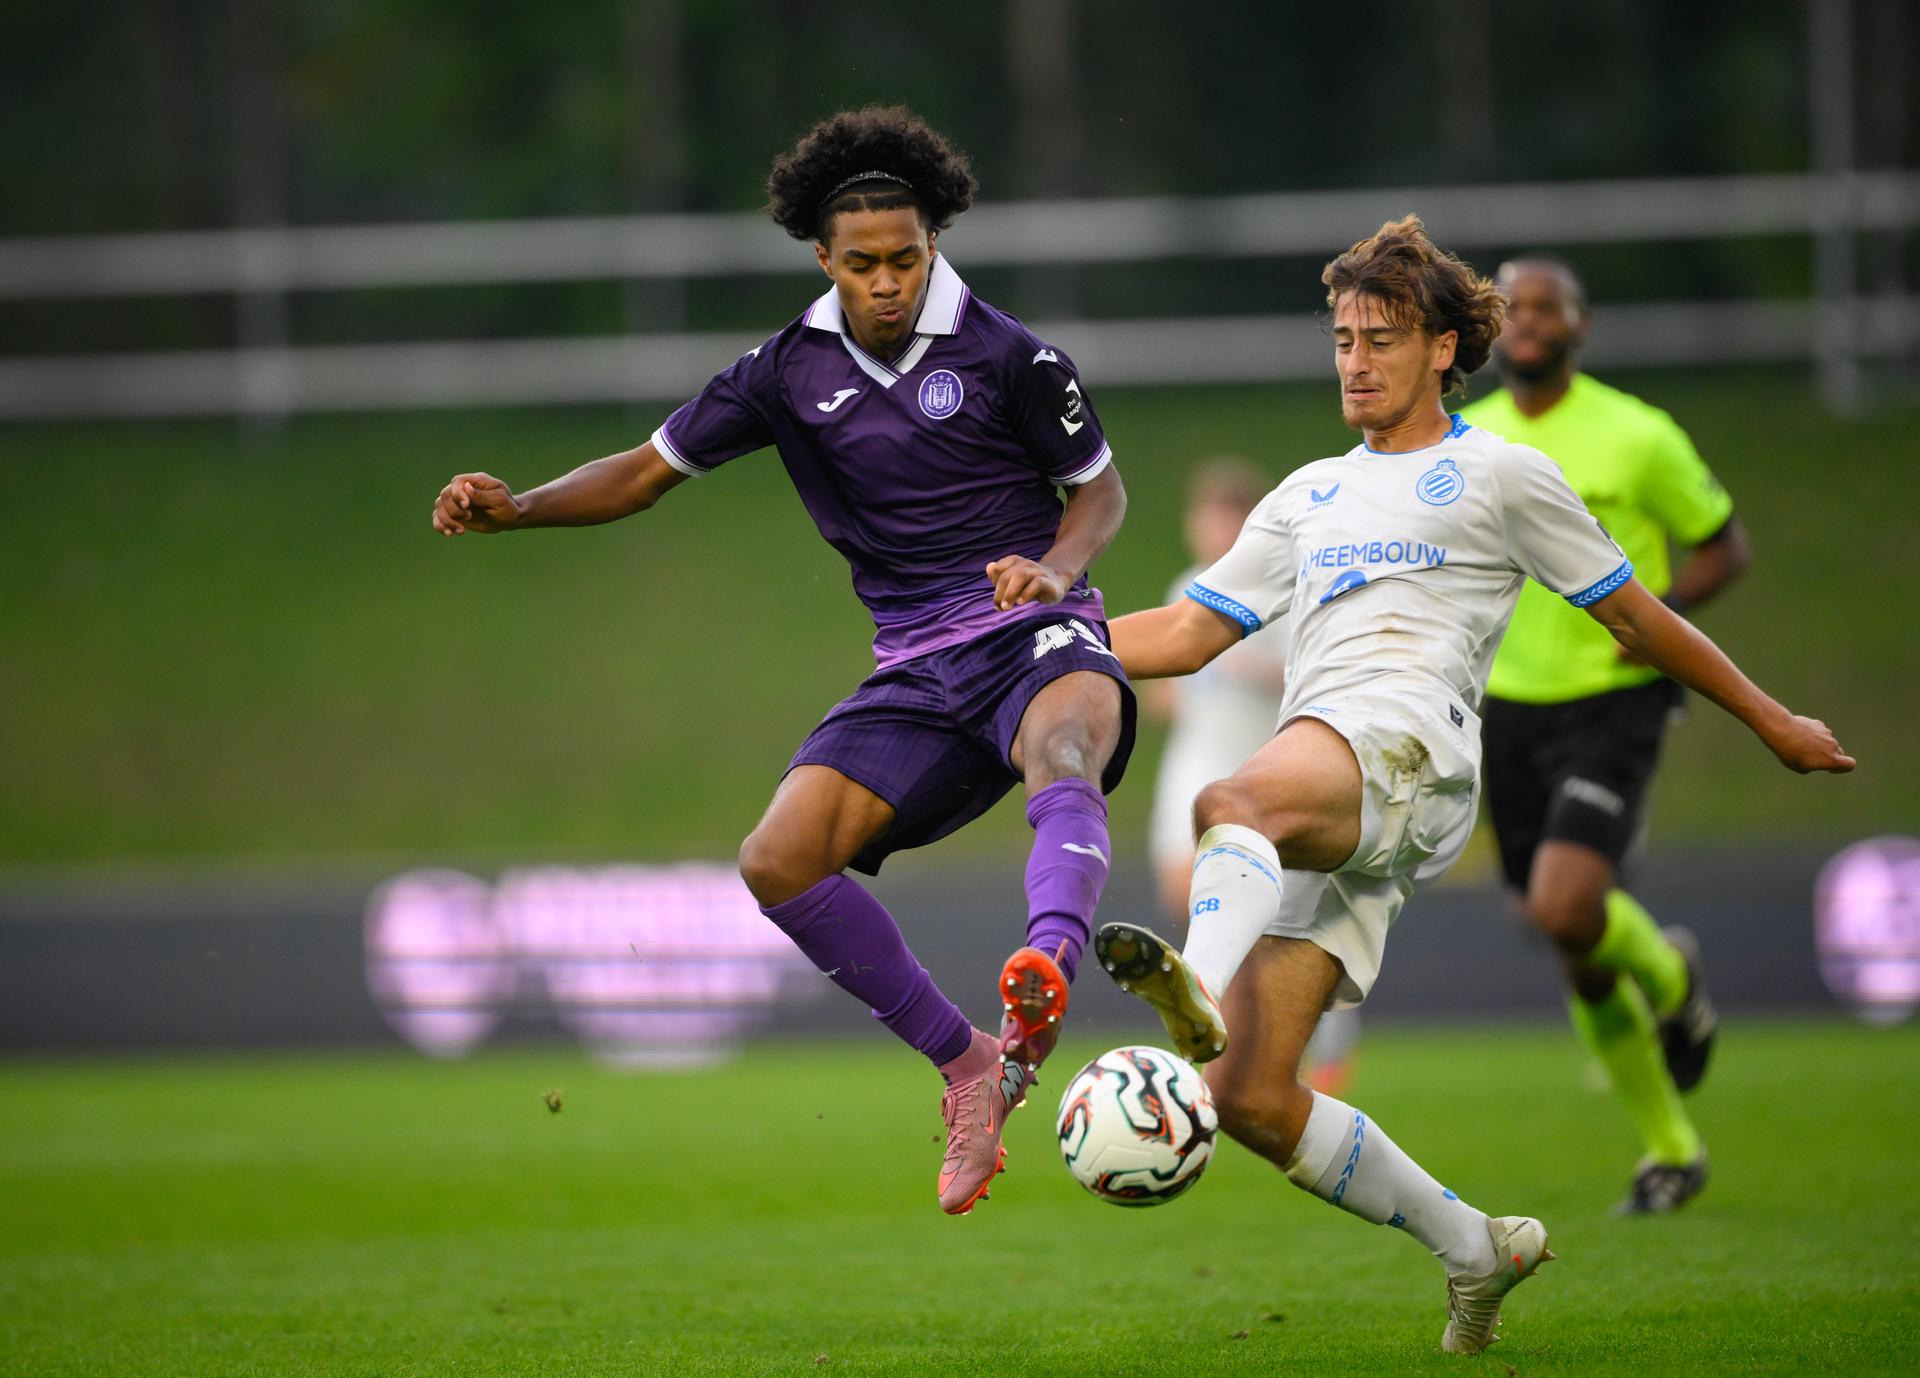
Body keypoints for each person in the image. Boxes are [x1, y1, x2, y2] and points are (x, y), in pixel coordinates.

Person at [1092, 216, 1853, 1353]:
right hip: (1341, 781)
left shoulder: (1499, 472)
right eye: (1343, 337)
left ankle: (1183, 1003)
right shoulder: (1306, 495)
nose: (1355, 358)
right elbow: (1192, 628)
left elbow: (1638, 616)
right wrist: (1048, 637)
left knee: (1227, 803)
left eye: (1382, 337)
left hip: (1410, 750)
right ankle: (1474, 1249)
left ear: (1444, 346)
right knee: (1251, 1097)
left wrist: (1773, 718)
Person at [429, 106, 1134, 1216]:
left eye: (907, 258)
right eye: (864, 264)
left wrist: (1054, 568)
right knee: (777, 859)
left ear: (934, 246)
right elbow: (642, 472)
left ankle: (1046, 962)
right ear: (824, 258)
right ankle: (969, 1067)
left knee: (1066, 742)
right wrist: (518, 508)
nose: (889, 281)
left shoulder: (1012, 355)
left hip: (1032, 629)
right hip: (913, 666)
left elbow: (1101, 491)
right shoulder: (782, 372)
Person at [1459, 256, 1751, 1215]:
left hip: (1614, 695)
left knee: (1563, 903)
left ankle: (1672, 977)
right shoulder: (1469, 439)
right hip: (1509, 707)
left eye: (1551, 307)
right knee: (1577, 948)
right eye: (1518, 307)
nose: (1532, 321)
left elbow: (1723, 545)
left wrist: (1653, 620)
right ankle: (1672, 1148)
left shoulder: (1640, 435)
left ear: (1581, 328)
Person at [1144, 460, 1360, 1094]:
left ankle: (1318, 1046)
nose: (1213, 530)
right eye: (1205, 517)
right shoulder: (1185, 588)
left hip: (1260, 765)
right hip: (1195, 760)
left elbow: (1306, 681)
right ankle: (1222, 1020)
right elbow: (1167, 690)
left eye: (1225, 517)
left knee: (1280, 919)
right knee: (1182, 890)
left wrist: (1250, 674)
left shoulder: (1281, 594)